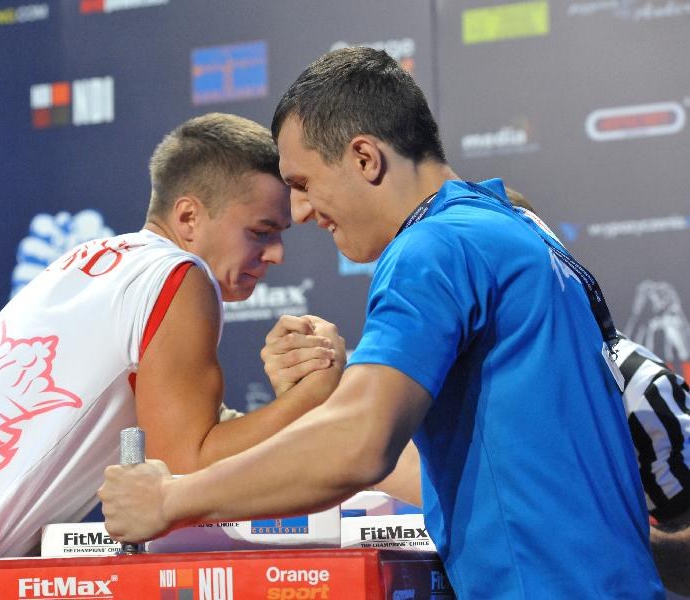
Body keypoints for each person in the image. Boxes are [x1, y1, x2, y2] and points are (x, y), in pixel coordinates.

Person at [99, 48, 664, 598]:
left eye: (301, 184)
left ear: (365, 158)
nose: (298, 214)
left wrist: (171, 499)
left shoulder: (433, 246)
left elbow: (359, 445)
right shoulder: (514, 228)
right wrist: (328, 401)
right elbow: (472, 471)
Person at [0, 113, 343, 600]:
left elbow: (169, 435)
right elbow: (186, 469)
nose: (276, 254)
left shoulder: (89, 262)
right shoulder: (181, 276)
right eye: (260, 231)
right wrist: (316, 397)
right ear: (188, 217)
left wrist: (282, 408)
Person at [267, 188, 690, 595]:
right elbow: (398, 466)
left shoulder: (638, 386)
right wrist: (311, 396)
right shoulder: (437, 386)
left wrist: (604, 534)